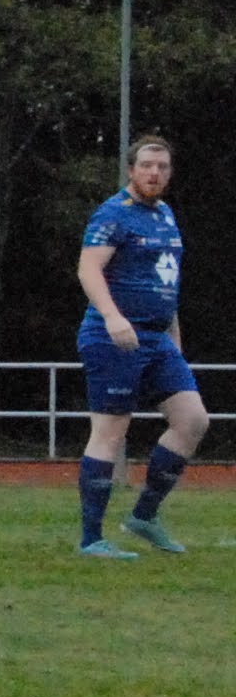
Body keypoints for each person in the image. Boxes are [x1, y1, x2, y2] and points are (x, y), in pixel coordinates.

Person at [75, 134, 202, 557]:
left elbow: (167, 282)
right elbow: (89, 269)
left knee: (192, 421)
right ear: (131, 170)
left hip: (156, 338)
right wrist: (113, 318)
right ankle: (92, 539)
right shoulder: (113, 213)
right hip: (113, 337)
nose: (154, 173)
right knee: (110, 432)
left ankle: (143, 516)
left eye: (162, 166)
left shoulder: (165, 214)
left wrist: (173, 336)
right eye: (147, 165)